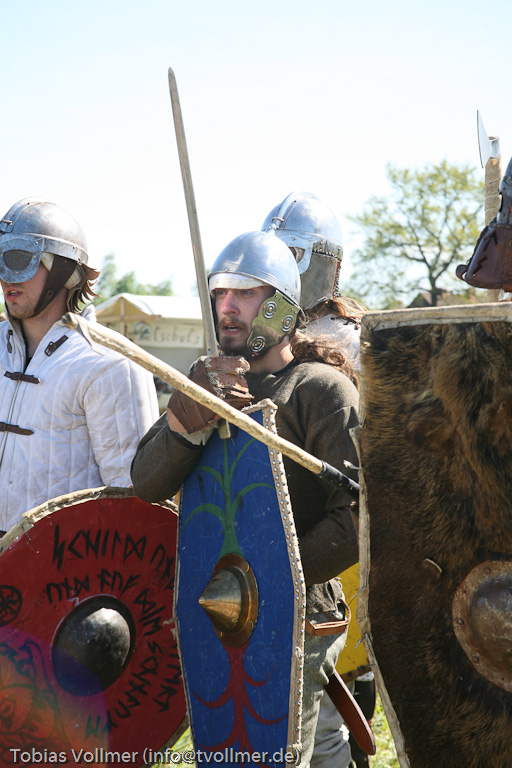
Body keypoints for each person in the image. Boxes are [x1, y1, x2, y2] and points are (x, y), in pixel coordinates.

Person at [131, 229, 359, 767]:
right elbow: (147, 483)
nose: (227, 306)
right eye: (220, 293)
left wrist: (271, 586)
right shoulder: (204, 382)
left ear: (279, 305)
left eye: (246, 293)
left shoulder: (319, 389)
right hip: (215, 613)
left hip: (295, 617)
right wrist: (187, 415)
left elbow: (356, 517)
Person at [262, 192, 373, 768]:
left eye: (293, 253)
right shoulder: (266, 334)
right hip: (288, 527)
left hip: (341, 535)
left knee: (335, 702)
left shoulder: (352, 338)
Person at [0, 197, 159, 533]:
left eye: (19, 259)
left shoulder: (112, 365)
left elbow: (132, 508)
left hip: (66, 563)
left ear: (64, 272)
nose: (6, 277)